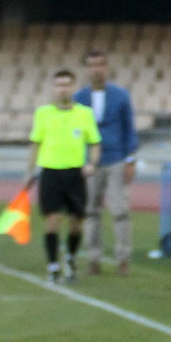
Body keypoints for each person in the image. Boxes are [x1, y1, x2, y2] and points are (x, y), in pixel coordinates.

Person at [24, 69, 100, 285]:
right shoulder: (43, 113)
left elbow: (95, 143)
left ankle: (70, 257)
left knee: (77, 223)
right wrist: (29, 172)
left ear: (74, 87)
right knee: (52, 220)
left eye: (67, 84)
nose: (62, 88)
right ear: (53, 88)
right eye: (58, 84)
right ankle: (53, 265)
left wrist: (92, 164)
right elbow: (35, 143)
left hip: (75, 174)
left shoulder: (84, 113)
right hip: (50, 172)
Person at [73, 51, 137, 276]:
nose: (96, 69)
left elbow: (129, 127)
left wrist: (131, 159)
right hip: (90, 162)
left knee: (120, 210)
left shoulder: (120, 95)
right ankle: (93, 259)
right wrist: (79, 162)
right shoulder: (79, 98)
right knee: (91, 211)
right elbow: (76, 132)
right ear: (86, 69)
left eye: (100, 64)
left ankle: (123, 258)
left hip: (116, 159)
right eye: (91, 65)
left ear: (106, 67)